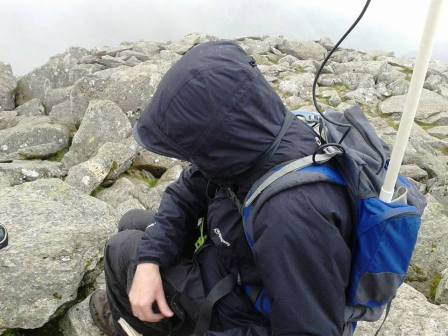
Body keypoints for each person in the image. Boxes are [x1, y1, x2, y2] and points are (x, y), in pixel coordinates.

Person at [90, 41, 354, 336]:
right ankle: (137, 304)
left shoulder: (290, 215)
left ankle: (129, 326)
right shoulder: (255, 137)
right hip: (236, 261)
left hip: (246, 311)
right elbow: (187, 191)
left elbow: (310, 330)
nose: (186, 160)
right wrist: (150, 260)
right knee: (134, 225)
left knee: (121, 249)